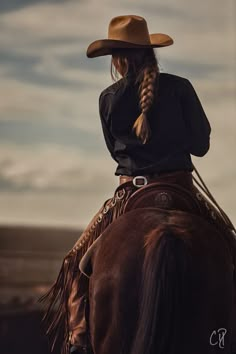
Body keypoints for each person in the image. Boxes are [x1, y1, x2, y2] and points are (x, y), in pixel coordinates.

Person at [39, 14, 217, 354]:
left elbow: (113, 152)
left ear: (116, 60)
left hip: (130, 193)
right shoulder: (180, 88)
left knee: (74, 263)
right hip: (181, 188)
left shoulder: (108, 98)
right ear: (151, 52)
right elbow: (202, 146)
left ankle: (77, 338)